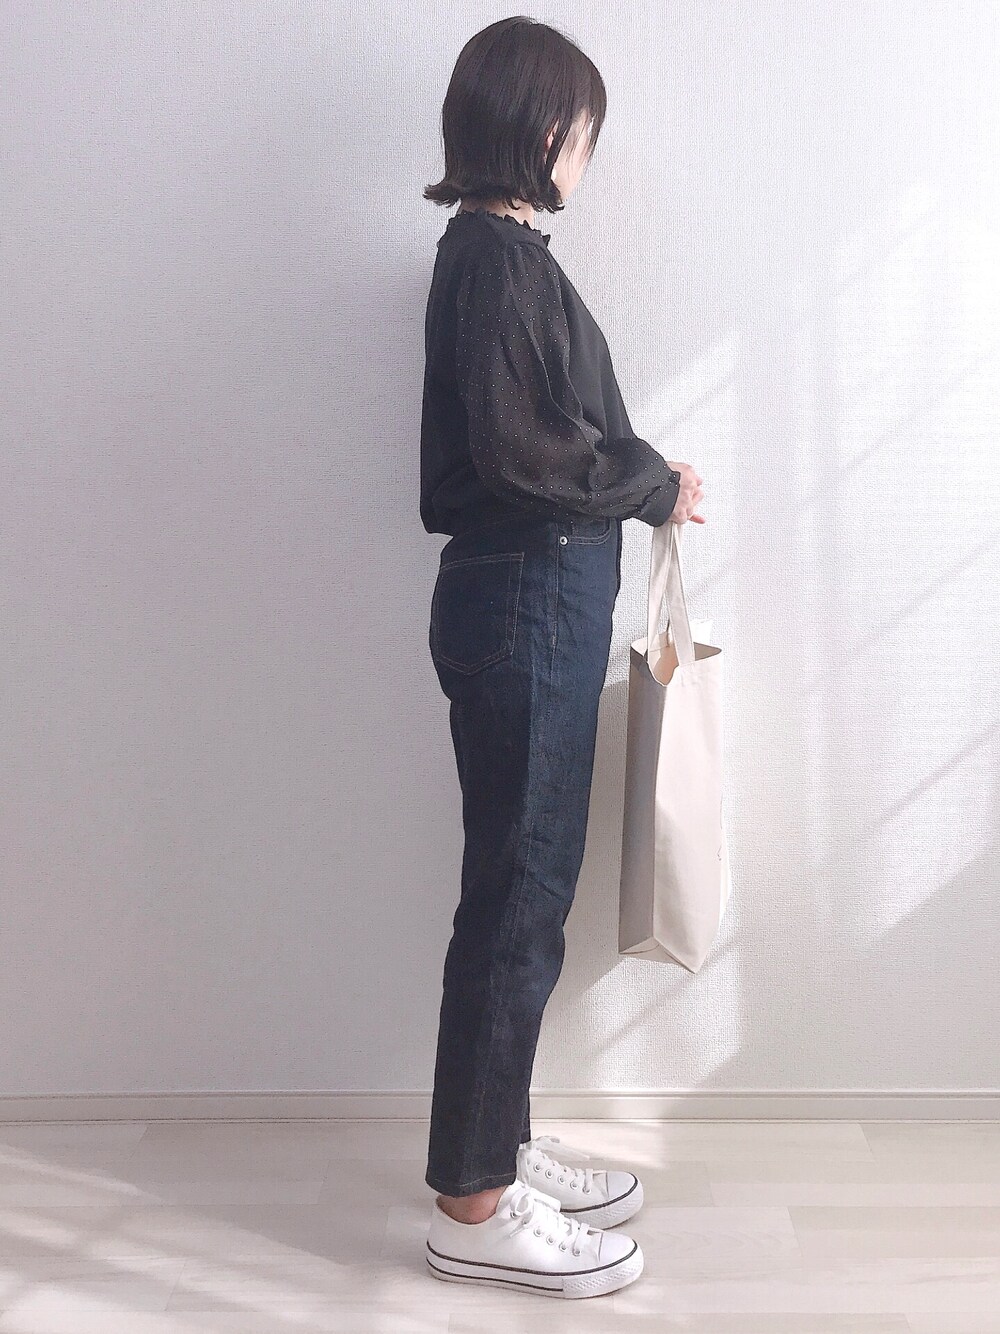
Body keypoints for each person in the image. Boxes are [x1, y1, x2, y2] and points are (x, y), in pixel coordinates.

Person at [418, 16, 704, 1299]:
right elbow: (523, 452)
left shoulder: (505, 257)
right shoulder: (490, 260)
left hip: (536, 598)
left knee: (523, 887)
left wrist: (639, 478)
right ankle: (473, 1202)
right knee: (519, 893)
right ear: (544, 130)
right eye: (582, 130)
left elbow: (540, 435)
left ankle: (498, 1144)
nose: (585, 151)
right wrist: (651, 480)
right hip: (524, 597)